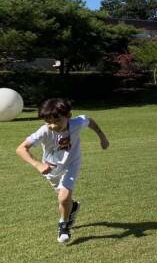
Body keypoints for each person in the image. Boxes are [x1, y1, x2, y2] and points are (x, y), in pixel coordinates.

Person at [16, 98, 110, 243]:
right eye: (48, 122)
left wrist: (102, 137)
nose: (53, 126)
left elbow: (90, 121)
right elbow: (21, 149)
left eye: (57, 120)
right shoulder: (44, 131)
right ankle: (73, 208)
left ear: (68, 116)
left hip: (72, 163)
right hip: (51, 169)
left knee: (63, 198)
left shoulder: (77, 123)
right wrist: (38, 165)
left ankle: (63, 225)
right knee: (63, 199)